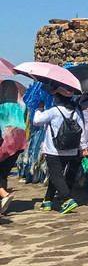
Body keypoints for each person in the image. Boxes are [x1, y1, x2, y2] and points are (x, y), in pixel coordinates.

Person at [33, 84, 83, 215]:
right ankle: (47, 200)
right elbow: (81, 130)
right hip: (70, 150)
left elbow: (36, 121)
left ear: (58, 97)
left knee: (56, 176)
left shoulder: (54, 111)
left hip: (54, 150)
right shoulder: (75, 111)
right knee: (57, 176)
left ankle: (67, 199)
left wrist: (39, 108)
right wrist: (82, 148)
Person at [0, 80, 28, 215]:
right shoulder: (21, 105)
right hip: (19, 144)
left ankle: (4, 195)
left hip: (4, 143)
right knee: (3, 173)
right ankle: (3, 203)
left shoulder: (1, 107)